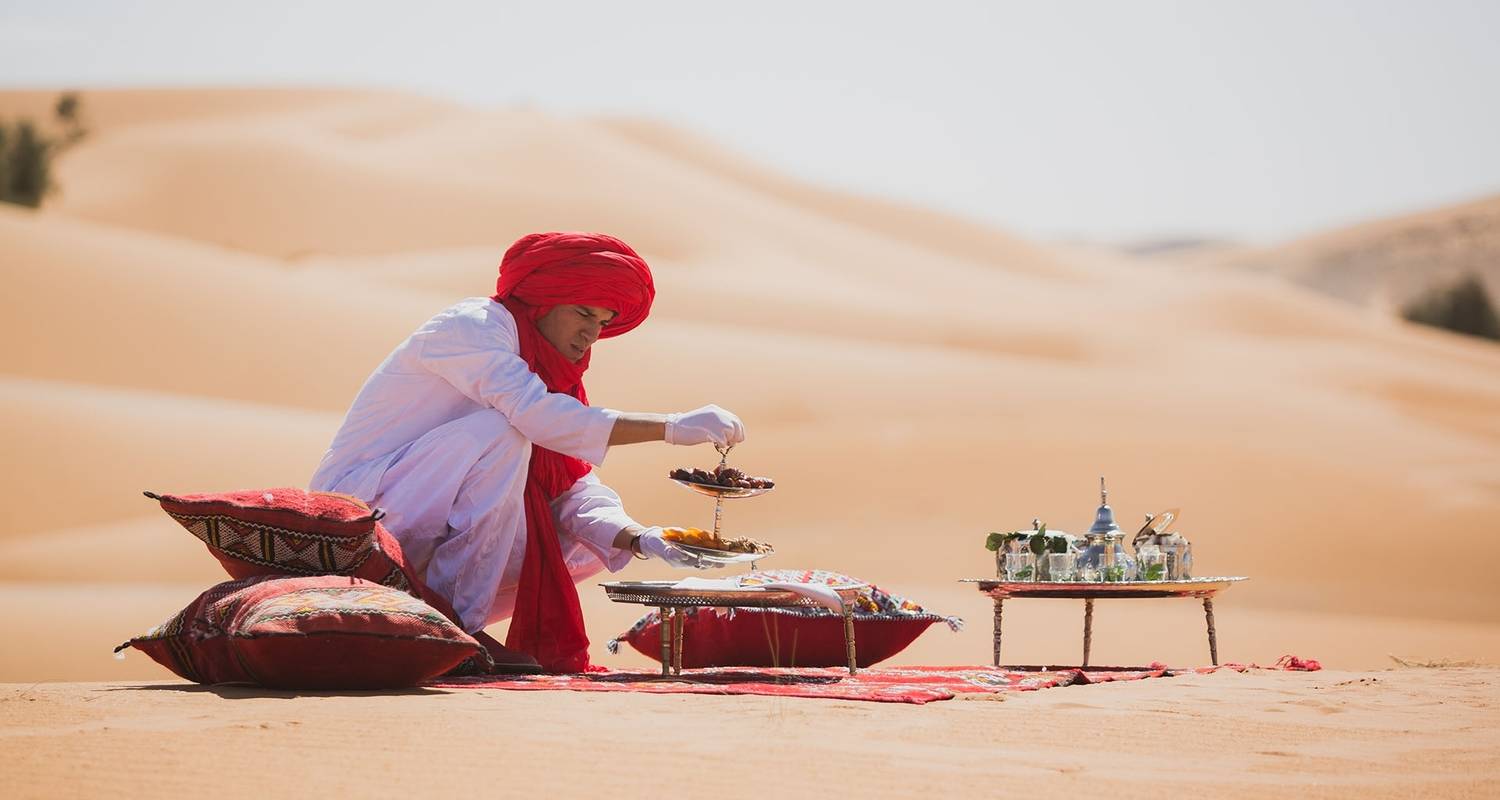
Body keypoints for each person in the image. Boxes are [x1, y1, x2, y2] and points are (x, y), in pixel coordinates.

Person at [308, 232, 744, 673]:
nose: (591, 333)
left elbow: (570, 484)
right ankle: (452, 627)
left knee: (587, 539)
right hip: (361, 512)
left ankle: (447, 623)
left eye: (603, 321)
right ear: (543, 302)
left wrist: (641, 537)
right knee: (501, 430)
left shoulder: (552, 378)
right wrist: (670, 427)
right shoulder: (472, 327)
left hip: (422, 524)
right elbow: (540, 418)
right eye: (582, 313)